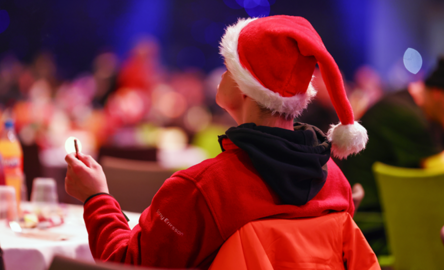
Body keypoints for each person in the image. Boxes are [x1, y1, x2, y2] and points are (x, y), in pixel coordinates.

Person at [65, 15, 373, 268]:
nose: (219, 76)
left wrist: (96, 198)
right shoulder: (336, 181)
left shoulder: (202, 188)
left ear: (244, 88)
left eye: (228, 68)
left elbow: (125, 263)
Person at [339, 57, 444, 254]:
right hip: (369, 224)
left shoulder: (416, 108)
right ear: (439, 94)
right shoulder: (404, 115)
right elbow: (439, 173)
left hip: (387, 219)